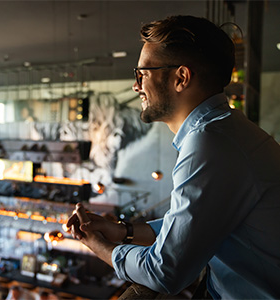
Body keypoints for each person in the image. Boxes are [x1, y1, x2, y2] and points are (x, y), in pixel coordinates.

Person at [66, 15, 280, 299]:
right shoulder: (224, 132)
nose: (136, 86)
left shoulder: (211, 146)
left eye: (142, 74)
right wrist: (122, 231)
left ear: (181, 77)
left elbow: (165, 272)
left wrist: (99, 245)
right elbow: (185, 227)